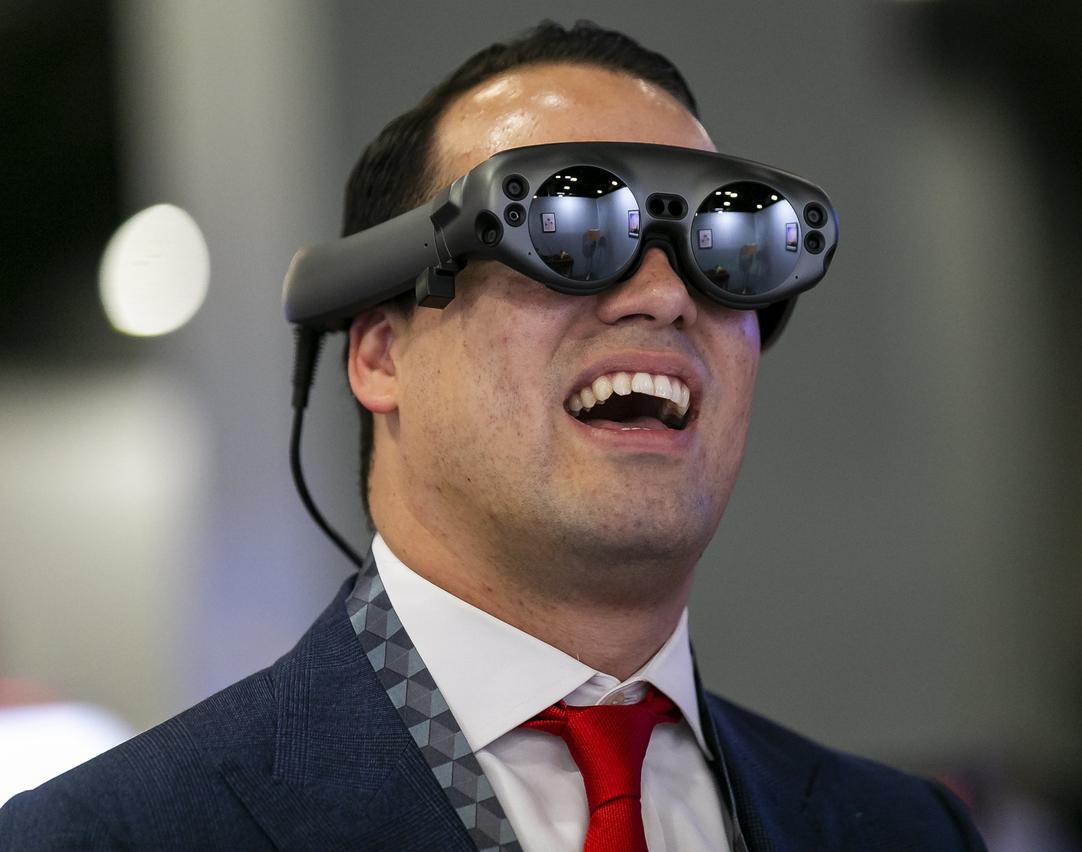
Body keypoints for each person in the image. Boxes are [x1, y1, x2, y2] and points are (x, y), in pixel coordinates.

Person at [0, 21, 986, 851]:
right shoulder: (109, 837)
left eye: (725, 251)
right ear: (381, 354)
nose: (664, 293)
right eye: (571, 227)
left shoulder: (906, 832)